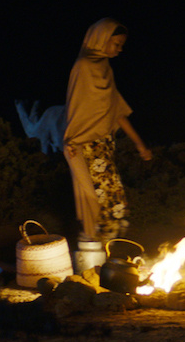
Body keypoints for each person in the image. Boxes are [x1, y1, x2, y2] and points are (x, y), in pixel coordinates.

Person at [63, 17, 153, 241]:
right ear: (101, 38)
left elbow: (116, 111)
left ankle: (106, 253)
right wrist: (71, 141)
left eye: (122, 45)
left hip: (103, 145)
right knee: (98, 200)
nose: (120, 49)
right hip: (85, 145)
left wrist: (139, 143)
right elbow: (76, 109)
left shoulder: (105, 68)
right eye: (116, 44)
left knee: (113, 200)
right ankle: (95, 257)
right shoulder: (83, 67)